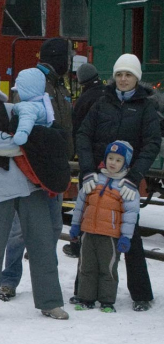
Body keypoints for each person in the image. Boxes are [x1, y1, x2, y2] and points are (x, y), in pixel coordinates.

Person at [0, 62, 67, 322]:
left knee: (42, 245)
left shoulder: (11, 109)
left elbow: (41, 122)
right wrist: (31, 143)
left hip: (30, 186)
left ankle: (50, 301)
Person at [76, 53, 162, 311]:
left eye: (129, 75)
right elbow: (83, 134)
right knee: (89, 232)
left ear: (137, 78)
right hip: (98, 179)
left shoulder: (145, 107)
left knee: (130, 234)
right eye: (120, 75)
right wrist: (89, 170)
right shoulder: (102, 102)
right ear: (114, 77)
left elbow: (152, 144)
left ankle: (141, 295)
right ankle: (84, 291)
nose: (123, 79)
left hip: (126, 183)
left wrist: (134, 177)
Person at [0, 38, 73, 301]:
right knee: (19, 229)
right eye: (67, 57)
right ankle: (8, 279)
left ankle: (45, 277)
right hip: (31, 168)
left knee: (54, 226)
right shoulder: (30, 82)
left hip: (55, 165)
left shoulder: (60, 84)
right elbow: (21, 121)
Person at [69, 141, 139, 312]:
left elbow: (130, 216)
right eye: (110, 158)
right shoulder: (94, 180)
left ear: (125, 163)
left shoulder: (126, 187)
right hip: (88, 233)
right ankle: (86, 298)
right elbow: (81, 205)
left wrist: (125, 237)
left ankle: (107, 300)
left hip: (110, 235)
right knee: (86, 266)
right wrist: (76, 225)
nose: (113, 163)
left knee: (108, 268)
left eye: (118, 160)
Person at [63, 63, 106, 259]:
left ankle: (78, 246)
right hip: (111, 162)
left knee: (85, 204)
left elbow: (77, 129)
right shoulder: (108, 93)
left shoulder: (84, 99)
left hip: (90, 161)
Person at [9, 68, 55, 146]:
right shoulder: (43, 104)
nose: (15, 95)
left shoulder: (28, 107)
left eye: (17, 92)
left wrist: (21, 134)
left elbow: (26, 121)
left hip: (29, 142)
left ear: (25, 92)